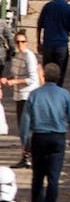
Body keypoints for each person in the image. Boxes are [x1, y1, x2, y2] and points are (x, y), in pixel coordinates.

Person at [20, 63, 70, 202]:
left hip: (39, 137)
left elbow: (25, 120)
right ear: (59, 77)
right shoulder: (64, 94)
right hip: (57, 138)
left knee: (38, 175)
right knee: (54, 177)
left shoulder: (35, 94)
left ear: (44, 77)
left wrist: (25, 141)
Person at [2, 30, 39, 168]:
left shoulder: (29, 56)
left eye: (23, 42)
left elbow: (32, 79)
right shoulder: (17, 56)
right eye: (17, 42)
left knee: (26, 129)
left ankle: (30, 157)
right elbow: (14, 74)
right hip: (18, 96)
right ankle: (26, 156)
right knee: (22, 128)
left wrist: (15, 82)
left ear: (27, 42)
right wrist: (8, 79)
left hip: (28, 96)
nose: (20, 44)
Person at [37, 0, 70, 85]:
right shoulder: (69, 9)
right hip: (61, 46)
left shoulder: (48, 6)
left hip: (48, 44)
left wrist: (38, 42)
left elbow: (39, 26)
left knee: (47, 73)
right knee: (59, 74)